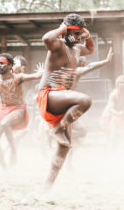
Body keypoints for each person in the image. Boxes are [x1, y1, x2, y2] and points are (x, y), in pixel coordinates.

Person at [36, 13, 95, 188]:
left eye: (79, 34)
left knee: (65, 146)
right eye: (75, 34)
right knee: (85, 100)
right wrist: (64, 28)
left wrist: (87, 35)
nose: (78, 38)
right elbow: (46, 38)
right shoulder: (57, 45)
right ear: (66, 31)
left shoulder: (77, 49)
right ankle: (57, 129)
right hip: (50, 94)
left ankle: (48, 185)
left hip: (63, 100)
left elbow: (91, 49)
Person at [101, 75, 124, 155]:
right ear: (117, 84)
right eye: (120, 83)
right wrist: (117, 113)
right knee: (112, 135)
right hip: (113, 114)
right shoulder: (113, 94)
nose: (122, 85)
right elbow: (110, 107)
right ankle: (111, 152)